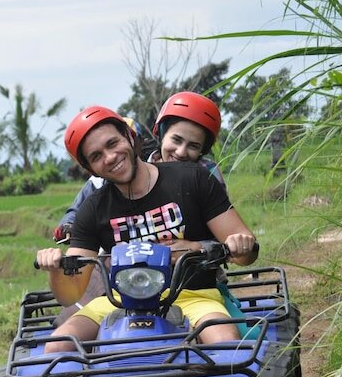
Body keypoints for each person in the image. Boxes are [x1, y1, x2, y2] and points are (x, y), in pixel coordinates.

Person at [35, 105, 258, 353]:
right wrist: (55, 270)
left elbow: (246, 254)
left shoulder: (193, 178)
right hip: (119, 302)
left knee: (225, 341)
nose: (110, 157)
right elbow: (70, 295)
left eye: (112, 143)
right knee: (56, 346)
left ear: (129, 137)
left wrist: (239, 245)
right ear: (90, 169)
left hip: (193, 296)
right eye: (96, 156)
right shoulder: (92, 208)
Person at [53, 91, 225, 243]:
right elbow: (80, 208)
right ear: (161, 134)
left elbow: (222, 229)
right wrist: (68, 225)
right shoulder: (127, 170)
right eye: (176, 140)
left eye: (193, 146)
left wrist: (197, 248)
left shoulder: (205, 174)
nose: (181, 152)